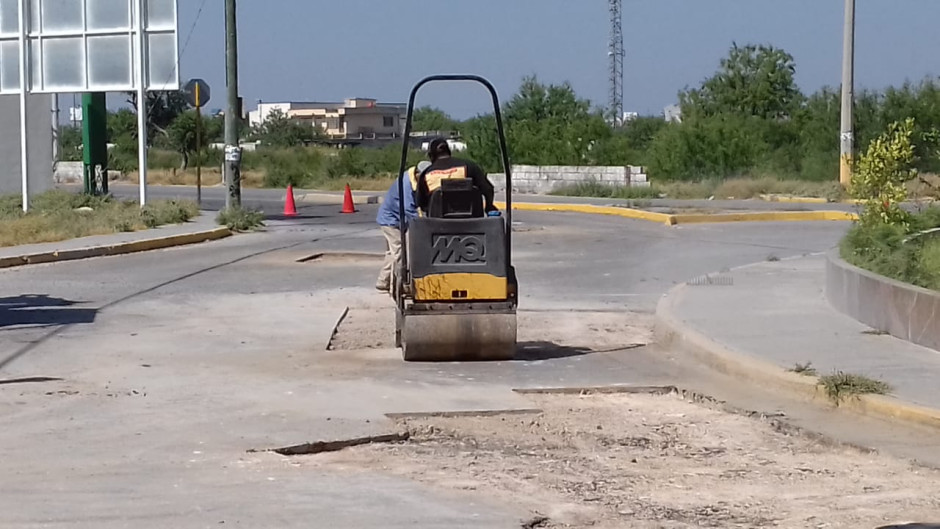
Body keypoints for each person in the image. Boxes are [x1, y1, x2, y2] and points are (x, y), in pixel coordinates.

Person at [375, 160, 431, 292]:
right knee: (399, 252)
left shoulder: (412, 180)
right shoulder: (406, 183)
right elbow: (409, 208)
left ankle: (383, 281)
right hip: (390, 220)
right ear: (418, 173)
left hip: (398, 220)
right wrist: (423, 224)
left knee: (392, 253)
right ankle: (397, 286)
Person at [415, 138, 498, 216]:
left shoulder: (426, 175)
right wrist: (489, 206)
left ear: (431, 156)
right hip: (472, 223)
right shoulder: (469, 166)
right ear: (449, 151)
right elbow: (488, 189)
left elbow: (422, 204)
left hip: (439, 225)